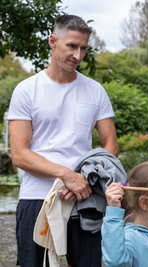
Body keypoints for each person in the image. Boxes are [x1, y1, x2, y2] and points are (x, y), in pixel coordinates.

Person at [7, 15, 119, 267]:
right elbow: (19, 154)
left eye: (84, 48)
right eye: (72, 46)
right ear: (53, 41)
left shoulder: (96, 90)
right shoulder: (27, 90)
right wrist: (67, 176)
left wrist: (85, 178)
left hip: (85, 197)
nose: (78, 55)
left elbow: (110, 146)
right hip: (38, 198)